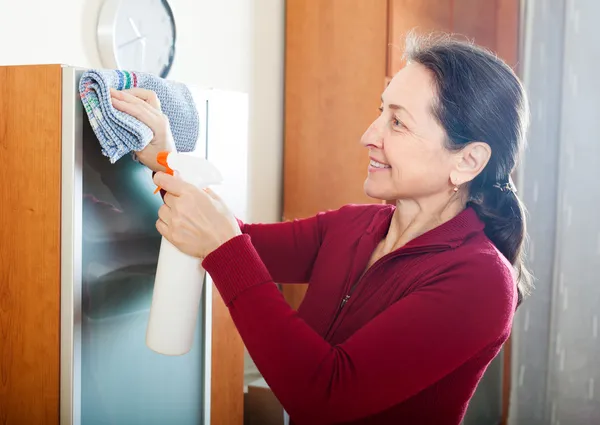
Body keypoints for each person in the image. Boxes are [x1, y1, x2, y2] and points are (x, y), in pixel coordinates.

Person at [110, 33, 531, 425]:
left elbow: (326, 394)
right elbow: (226, 236)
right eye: (380, 112)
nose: (369, 135)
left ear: (468, 161)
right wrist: (169, 159)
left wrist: (224, 244)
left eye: (398, 123)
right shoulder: (352, 226)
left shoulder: (481, 281)